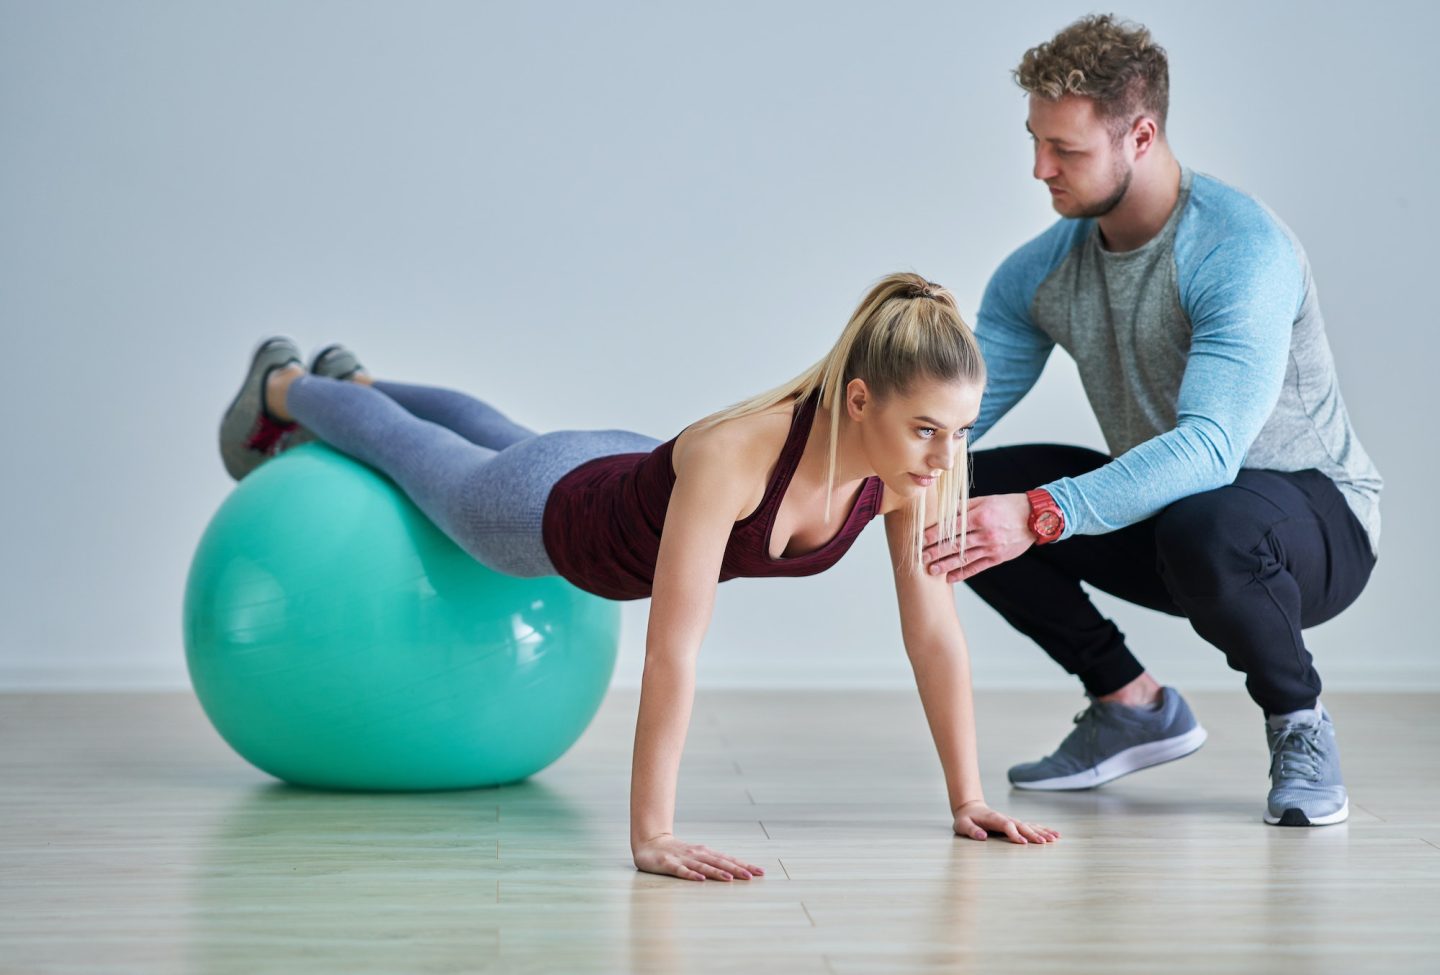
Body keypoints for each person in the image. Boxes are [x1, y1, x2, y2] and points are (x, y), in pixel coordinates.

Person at [217, 272, 1060, 882]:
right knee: (419, 455)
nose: (948, 456)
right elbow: (671, 653)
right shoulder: (740, 455)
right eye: (926, 429)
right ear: (860, 401)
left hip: (610, 461)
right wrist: (650, 833)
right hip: (540, 516)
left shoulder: (911, 476)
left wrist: (968, 795)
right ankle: (286, 384)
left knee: (487, 428)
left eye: (960, 430)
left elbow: (933, 635)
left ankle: (354, 374)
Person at [923, 15, 1381, 827]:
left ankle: (1300, 724)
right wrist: (821, 473)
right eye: (1035, 141)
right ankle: (1129, 701)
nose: (1039, 169)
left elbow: (1209, 449)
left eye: (1065, 149)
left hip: (1315, 521)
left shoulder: (1240, 249)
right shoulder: (1042, 272)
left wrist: (1041, 514)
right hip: (1178, 517)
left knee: (1203, 519)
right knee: (960, 483)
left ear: (1140, 134)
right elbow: (954, 416)